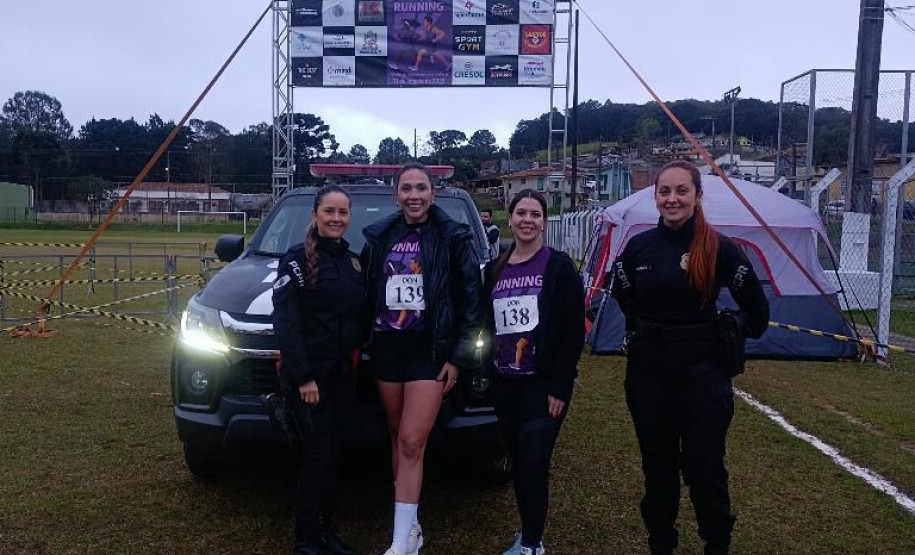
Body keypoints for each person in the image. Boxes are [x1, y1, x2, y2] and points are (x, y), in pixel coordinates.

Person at [609, 160, 770, 555]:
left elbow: (758, 312)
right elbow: (623, 293)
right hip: (649, 372)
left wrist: (729, 331)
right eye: (665, 191)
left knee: (703, 467)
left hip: (703, 373)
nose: (672, 199)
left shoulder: (719, 248)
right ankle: (661, 543)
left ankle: (717, 544)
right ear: (655, 197)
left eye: (682, 190)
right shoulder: (638, 246)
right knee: (658, 467)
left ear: (698, 196)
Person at [361, 162, 482, 555]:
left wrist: (459, 357)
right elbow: (363, 293)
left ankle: (400, 542)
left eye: (421, 188)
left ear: (434, 193)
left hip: (431, 351)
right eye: (406, 188)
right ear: (396, 195)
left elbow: (470, 301)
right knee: (398, 438)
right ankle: (409, 529)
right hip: (388, 348)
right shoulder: (380, 237)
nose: (414, 195)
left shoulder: (453, 237)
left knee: (413, 440)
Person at [483, 189, 585, 555]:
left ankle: (530, 545)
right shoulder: (494, 269)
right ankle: (529, 534)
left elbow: (575, 329)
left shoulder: (557, 266)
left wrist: (560, 384)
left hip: (543, 385)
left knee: (533, 460)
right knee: (519, 461)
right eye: (521, 213)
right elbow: (486, 325)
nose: (527, 220)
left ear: (543, 221)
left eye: (535, 214)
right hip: (505, 383)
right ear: (509, 220)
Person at [272, 185, 366, 555]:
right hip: (310, 381)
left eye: (343, 213)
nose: (336, 219)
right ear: (315, 214)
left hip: (343, 377)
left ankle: (326, 533)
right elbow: (287, 325)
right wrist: (304, 378)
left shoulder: (354, 262)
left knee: (332, 457)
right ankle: (306, 542)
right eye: (329, 211)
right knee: (316, 457)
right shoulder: (294, 261)